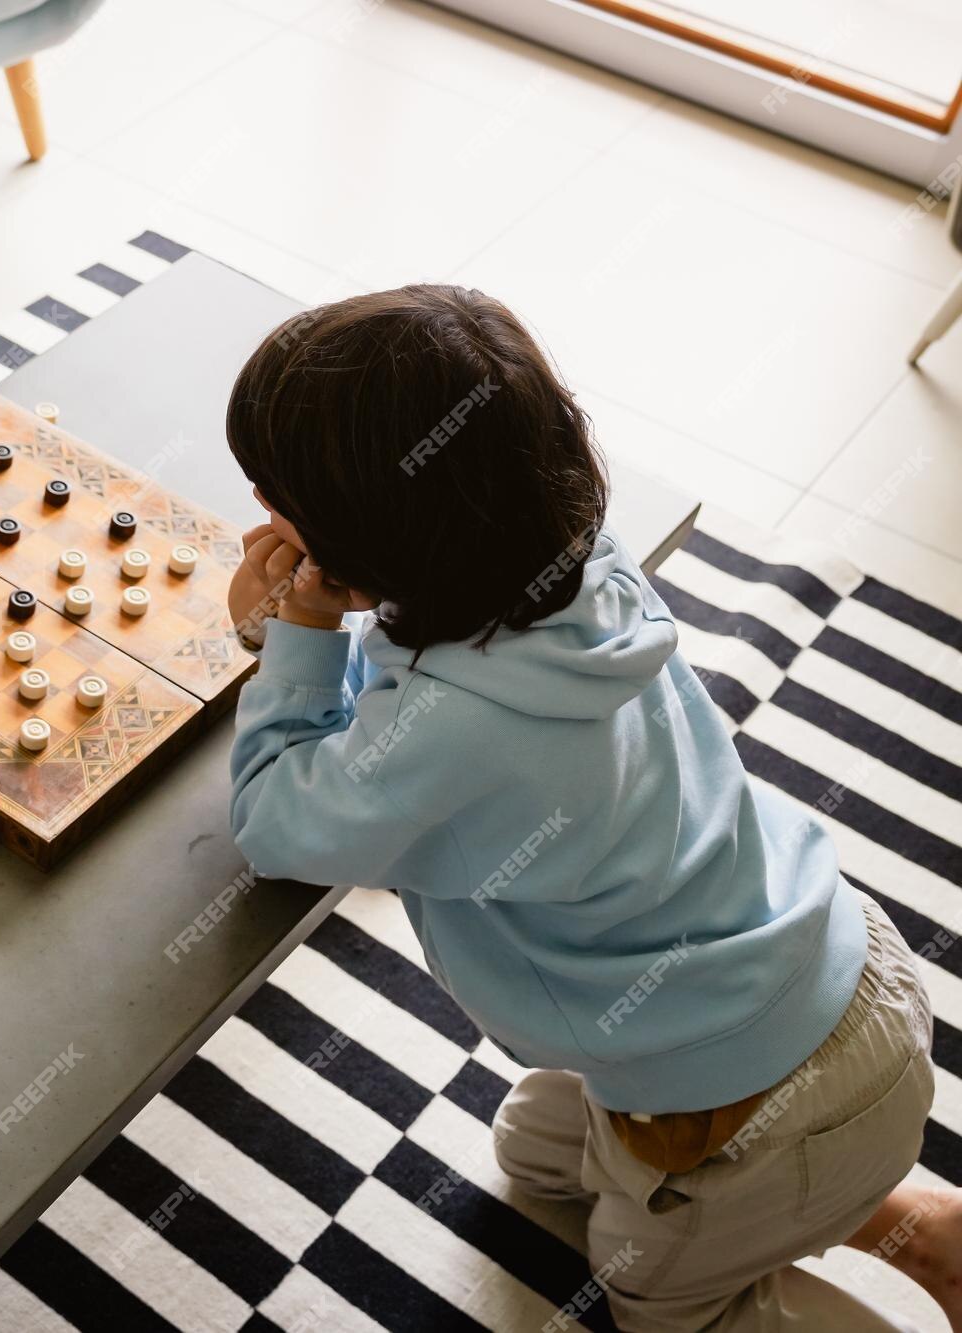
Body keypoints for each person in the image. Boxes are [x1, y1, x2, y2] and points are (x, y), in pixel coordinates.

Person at [220, 285, 958, 1329]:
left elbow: (276, 824)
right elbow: (405, 723)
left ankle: (849, 1212)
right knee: (531, 1148)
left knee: (650, 1295)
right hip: (829, 973)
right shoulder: (575, 554)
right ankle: (887, 1204)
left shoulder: (446, 731)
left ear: (361, 542)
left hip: (738, 1100)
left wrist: (296, 634)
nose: (259, 510)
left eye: (271, 490)